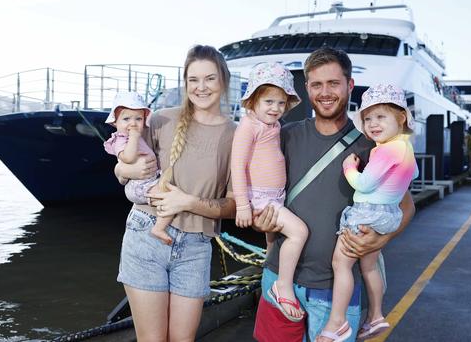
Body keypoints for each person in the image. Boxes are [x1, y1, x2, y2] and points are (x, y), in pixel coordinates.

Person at [252, 47, 416, 342]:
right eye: (316, 84)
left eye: (333, 83)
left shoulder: (372, 147)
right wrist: (259, 220)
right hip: (279, 279)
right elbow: (261, 192)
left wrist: (382, 238)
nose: (325, 92)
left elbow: (406, 207)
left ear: (350, 85)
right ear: (306, 89)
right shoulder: (285, 135)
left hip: (334, 292)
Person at [113, 45, 237, 341]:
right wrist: (125, 172)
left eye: (209, 78)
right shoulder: (159, 120)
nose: (201, 87)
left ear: (223, 80)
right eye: (193, 79)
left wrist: (189, 202)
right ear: (185, 83)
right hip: (145, 235)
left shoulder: (237, 134)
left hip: (195, 247)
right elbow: (122, 170)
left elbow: (233, 206)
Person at [317, 84, 419, 341]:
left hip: (366, 213)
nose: (373, 123)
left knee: (340, 263)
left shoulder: (386, 149)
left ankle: (337, 322)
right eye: (368, 118)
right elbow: (412, 176)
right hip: (387, 214)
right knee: (369, 267)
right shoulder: (405, 147)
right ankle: (375, 316)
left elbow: (364, 184)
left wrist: (349, 166)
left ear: (401, 117)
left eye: (381, 116)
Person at [231, 62, 308, 321]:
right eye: (269, 102)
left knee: (273, 243)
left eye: (281, 103)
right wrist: (242, 205)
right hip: (261, 198)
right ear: (253, 101)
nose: (275, 108)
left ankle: (272, 276)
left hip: (275, 196)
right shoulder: (248, 126)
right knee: (298, 232)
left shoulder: (272, 126)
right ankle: (283, 287)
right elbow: (237, 165)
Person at [103, 91, 174, 245]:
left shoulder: (134, 137)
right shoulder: (120, 140)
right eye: (126, 119)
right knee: (169, 199)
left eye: (138, 119)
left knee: (170, 193)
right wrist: (134, 137)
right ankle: (159, 228)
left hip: (149, 180)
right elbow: (128, 158)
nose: (133, 123)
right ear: (115, 123)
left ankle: (160, 226)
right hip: (138, 185)